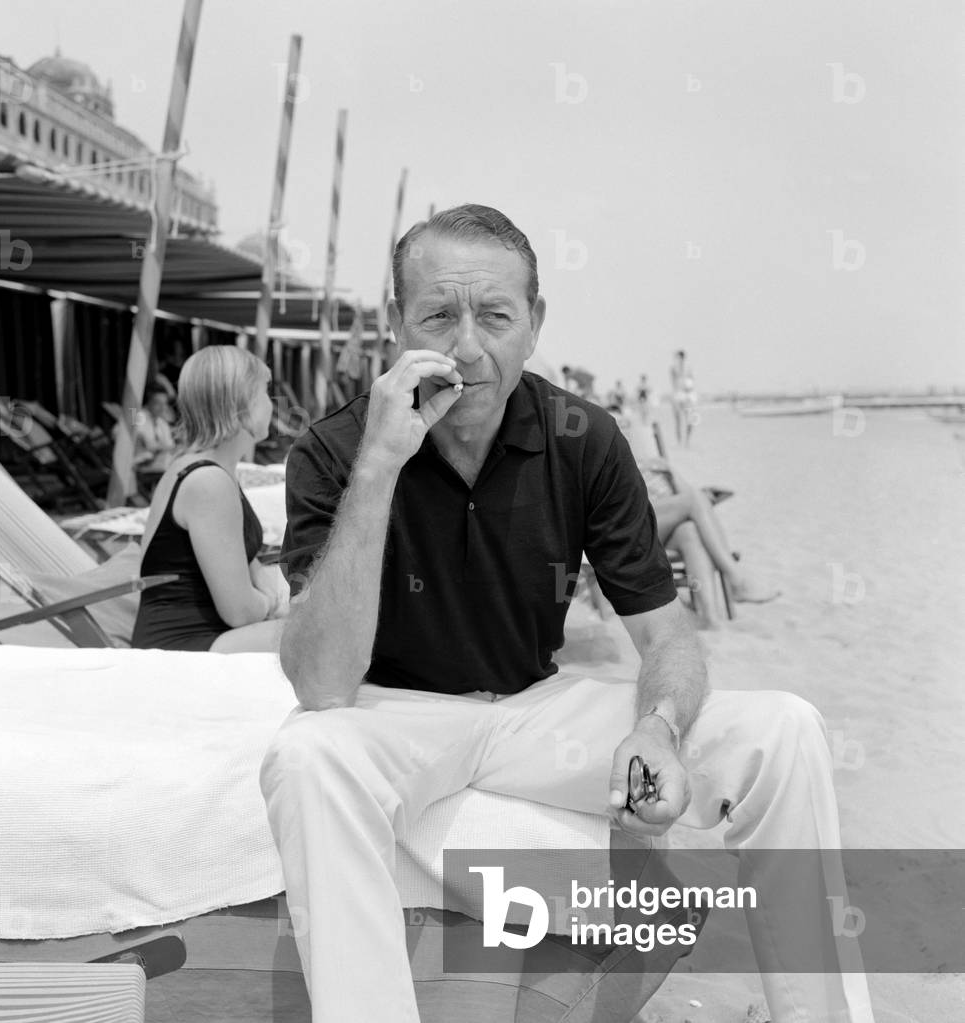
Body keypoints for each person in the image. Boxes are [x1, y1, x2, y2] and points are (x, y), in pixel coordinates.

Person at [261, 205, 874, 1023]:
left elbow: (662, 632)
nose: (467, 346)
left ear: (534, 324)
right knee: (306, 753)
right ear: (395, 322)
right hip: (395, 716)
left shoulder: (581, 436)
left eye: (495, 316)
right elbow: (322, 682)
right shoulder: (337, 448)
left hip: (535, 709)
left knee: (784, 728)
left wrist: (656, 723)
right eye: (439, 315)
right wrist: (379, 466)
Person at [131, 346, 289, 653]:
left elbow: (242, 558)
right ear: (241, 405)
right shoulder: (208, 482)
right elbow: (240, 612)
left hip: (198, 638)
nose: (272, 405)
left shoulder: (202, 468)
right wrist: (272, 602)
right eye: (265, 393)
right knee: (329, 632)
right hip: (185, 648)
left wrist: (270, 593)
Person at [641, 464, 779, 628]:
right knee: (693, 499)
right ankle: (737, 580)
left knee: (690, 531)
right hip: (629, 528)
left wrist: (672, 474)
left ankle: (709, 618)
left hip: (660, 526)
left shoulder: (655, 463)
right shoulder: (612, 450)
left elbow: (686, 493)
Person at [132, 385, 177, 492]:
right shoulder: (139, 416)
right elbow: (149, 443)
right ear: (149, 403)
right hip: (142, 464)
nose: (163, 408)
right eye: (158, 403)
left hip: (160, 463)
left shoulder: (162, 422)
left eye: (165, 403)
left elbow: (170, 445)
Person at [669, 349, 698, 446]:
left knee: (689, 418)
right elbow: (673, 382)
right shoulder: (673, 368)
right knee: (678, 420)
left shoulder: (688, 367)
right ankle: (680, 441)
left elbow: (692, 382)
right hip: (678, 396)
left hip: (687, 396)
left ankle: (687, 440)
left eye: (678, 357)